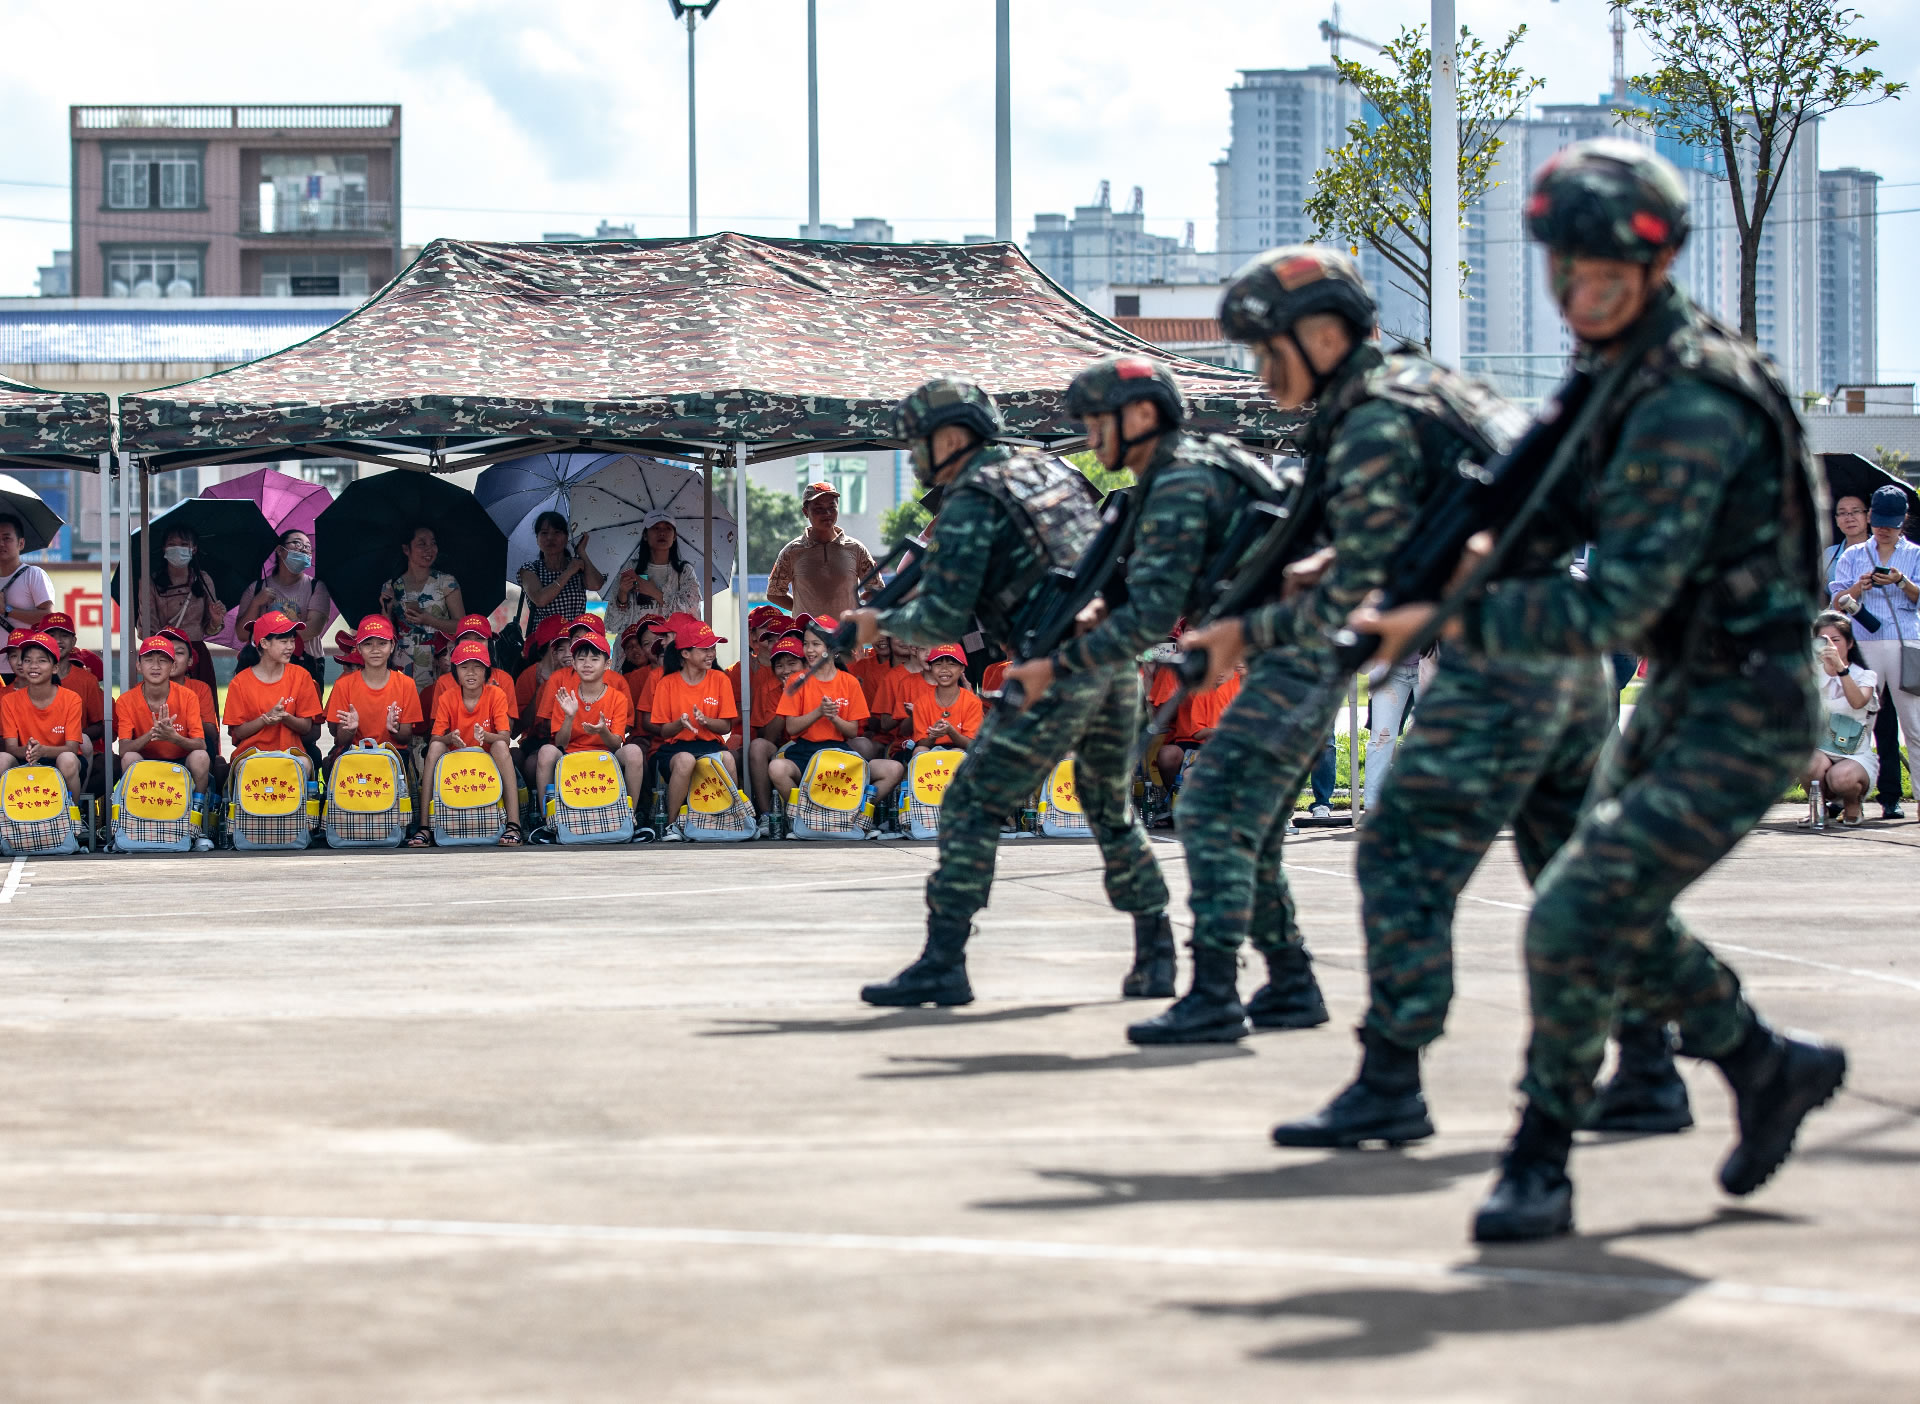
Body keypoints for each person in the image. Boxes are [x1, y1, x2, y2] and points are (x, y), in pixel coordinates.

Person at [1359, 139, 1847, 1240]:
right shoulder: (1612, 378)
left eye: (1605, 280)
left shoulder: (1688, 402)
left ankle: (1541, 1158)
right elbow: (1545, 512)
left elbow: (1612, 607)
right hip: (1684, 690)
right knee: (1613, 912)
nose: (1580, 299)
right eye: (1566, 277)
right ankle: (1763, 1065)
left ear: (1656, 267)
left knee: (1573, 915)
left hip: (1750, 705)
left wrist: (1440, 614)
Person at [1005, 354, 1312, 1041]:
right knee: (1238, 825)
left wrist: (1055, 667)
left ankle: (1215, 994)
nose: (1089, 434)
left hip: (1284, 656)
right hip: (1278, 651)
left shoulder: (1179, 478)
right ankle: (1291, 981)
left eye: (1097, 420)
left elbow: (1149, 617)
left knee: (1209, 809)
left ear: (1141, 416)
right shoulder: (1166, 477)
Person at [847, 378, 1173, 1005]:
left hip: (1053, 671)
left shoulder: (972, 499)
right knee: (1109, 807)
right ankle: (1155, 952)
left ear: (950, 437)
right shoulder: (1044, 472)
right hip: (1112, 662)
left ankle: (945, 960)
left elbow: (941, 617)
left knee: (970, 803)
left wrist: (873, 625)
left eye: (918, 443)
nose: (913, 457)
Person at [1828, 483, 1920, 822]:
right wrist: (1859, 587)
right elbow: (1837, 601)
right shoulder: (1854, 555)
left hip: (1905, 641)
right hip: (1865, 641)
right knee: (1858, 722)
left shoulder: (1915, 553)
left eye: (1891, 523)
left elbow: (1917, 598)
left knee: (1914, 723)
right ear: (1871, 517)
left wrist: (1901, 581)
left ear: (1903, 521)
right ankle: (1850, 797)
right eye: (1879, 521)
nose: (1884, 529)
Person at [768, 625, 904, 831]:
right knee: (777, 769)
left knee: (894, 769)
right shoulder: (797, 680)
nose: (809, 650)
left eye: (815, 644)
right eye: (806, 644)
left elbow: (851, 731)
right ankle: (804, 819)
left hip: (840, 754)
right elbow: (792, 727)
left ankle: (854, 814)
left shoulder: (849, 682)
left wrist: (833, 717)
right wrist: (818, 712)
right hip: (806, 752)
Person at [534, 623, 644, 818]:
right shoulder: (566, 697)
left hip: (605, 757)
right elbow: (560, 744)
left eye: (594, 659)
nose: (587, 664)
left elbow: (616, 743)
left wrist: (602, 731)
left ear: (607, 665)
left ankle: (629, 815)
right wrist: (569, 716)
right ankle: (547, 819)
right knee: (545, 752)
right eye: (581, 659)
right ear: (574, 664)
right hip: (570, 755)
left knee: (634, 752)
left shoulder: (617, 697)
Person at [116, 635, 214, 845]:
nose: (156, 666)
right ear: (138, 665)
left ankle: (195, 824)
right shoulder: (126, 700)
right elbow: (124, 749)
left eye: (163, 660)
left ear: (172, 666)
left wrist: (173, 737)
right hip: (146, 764)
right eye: (149, 660)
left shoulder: (188, 696)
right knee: (130, 758)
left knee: (200, 757)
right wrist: (152, 734)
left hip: (180, 763)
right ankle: (136, 820)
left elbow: (201, 744)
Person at [648, 620, 741, 840]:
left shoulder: (720, 679)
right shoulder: (667, 683)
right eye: (704, 649)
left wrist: (706, 721)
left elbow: (726, 726)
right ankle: (671, 824)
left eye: (713, 648)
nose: (711, 653)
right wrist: (680, 724)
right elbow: (664, 733)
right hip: (675, 748)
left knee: (727, 758)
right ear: (686, 654)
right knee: (686, 760)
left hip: (710, 745)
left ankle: (732, 816)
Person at [426, 638, 523, 845]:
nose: (471, 673)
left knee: (499, 745)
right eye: (464, 667)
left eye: (477, 667)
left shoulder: (496, 694)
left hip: (487, 761)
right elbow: (435, 737)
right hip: (457, 761)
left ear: (487, 671)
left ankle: (514, 825)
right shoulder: (447, 697)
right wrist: (449, 738)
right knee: (435, 746)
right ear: (455, 671)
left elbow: (506, 738)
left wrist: (486, 736)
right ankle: (424, 826)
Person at [225, 610, 323, 776]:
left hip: (291, 753)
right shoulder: (240, 682)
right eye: (284, 641)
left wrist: (285, 717)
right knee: (242, 766)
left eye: (292, 640)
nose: (291, 647)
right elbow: (239, 732)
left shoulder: (301, 676)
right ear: (264, 643)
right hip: (251, 754)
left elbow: (306, 727)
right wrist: (265, 719)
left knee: (305, 764)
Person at [1805, 611, 1880, 825]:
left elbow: (1858, 702)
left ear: (1850, 644)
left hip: (1854, 754)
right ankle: (1818, 808)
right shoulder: (1811, 674)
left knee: (1842, 777)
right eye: (1822, 641)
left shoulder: (1865, 676)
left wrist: (1840, 669)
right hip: (1822, 749)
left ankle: (1852, 805)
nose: (1830, 646)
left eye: (1836, 640)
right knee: (1806, 761)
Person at [766, 482, 877, 620]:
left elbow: (876, 589)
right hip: (807, 638)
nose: (827, 513)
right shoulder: (792, 552)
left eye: (832, 507)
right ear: (805, 512)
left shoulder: (856, 549)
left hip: (846, 637)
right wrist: (805, 613)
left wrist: (855, 609)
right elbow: (774, 593)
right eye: (819, 509)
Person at [234, 529, 333, 684]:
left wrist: (272, 640)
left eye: (308, 547)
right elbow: (242, 633)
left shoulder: (316, 587)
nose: (303, 548)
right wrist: (257, 603)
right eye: (297, 543)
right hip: (262, 665)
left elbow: (313, 629)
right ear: (280, 550)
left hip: (306, 662)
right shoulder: (257, 588)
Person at [325, 615, 424, 768]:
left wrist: (395, 729)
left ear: (392, 646)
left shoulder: (406, 684)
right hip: (355, 755)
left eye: (382, 643)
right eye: (368, 644)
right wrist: (350, 730)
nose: (375, 650)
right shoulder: (344, 684)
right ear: (358, 648)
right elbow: (340, 740)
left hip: (392, 755)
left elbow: (405, 738)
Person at [138, 524, 226, 690]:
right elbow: (147, 629)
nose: (177, 548)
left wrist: (215, 620)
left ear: (194, 549)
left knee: (201, 708)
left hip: (197, 654)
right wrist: (162, 653)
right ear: (164, 549)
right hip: (163, 654)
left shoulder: (203, 579)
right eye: (172, 544)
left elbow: (211, 629)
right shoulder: (149, 582)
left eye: (184, 544)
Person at [380, 524, 464, 691]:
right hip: (403, 660)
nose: (429, 549)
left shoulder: (446, 582)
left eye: (433, 543)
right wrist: (386, 608)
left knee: (438, 709)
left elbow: (462, 625)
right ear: (406, 549)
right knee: (407, 711)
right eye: (422, 544)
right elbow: (385, 631)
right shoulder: (391, 586)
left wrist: (430, 620)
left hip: (440, 660)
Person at [0, 631, 84, 793]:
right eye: (27, 660)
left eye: (42, 661)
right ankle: (6, 816)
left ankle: (73, 815)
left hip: (59, 758)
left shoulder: (71, 699)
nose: (33, 666)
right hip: (25, 760)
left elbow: (72, 748)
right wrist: (31, 751)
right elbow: (11, 748)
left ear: (55, 668)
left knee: (68, 760)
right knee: (2, 759)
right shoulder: (9, 700)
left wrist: (43, 750)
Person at [606, 513, 703, 642]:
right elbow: (613, 623)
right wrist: (622, 594)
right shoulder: (631, 568)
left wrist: (653, 592)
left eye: (668, 528)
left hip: (670, 649)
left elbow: (692, 615)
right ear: (645, 535)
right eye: (655, 528)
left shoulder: (684, 571)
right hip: (636, 649)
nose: (662, 532)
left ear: (674, 536)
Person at [516, 510, 606, 638]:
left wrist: (582, 552)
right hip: (544, 645)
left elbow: (596, 585)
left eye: (557, 532)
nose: (550, 538)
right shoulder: (530, 569)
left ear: (566, 537)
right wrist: (569, 571)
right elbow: (540, 599)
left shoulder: (577, 565)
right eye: (544, 533)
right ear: (537, 539)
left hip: (574, 641)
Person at [1155, 667, 1239, 799]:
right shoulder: (1201, 690)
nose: (1220, 671)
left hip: (1223, 744)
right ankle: (1175, 802)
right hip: (1190, 742)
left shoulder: (1241, 688)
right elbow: (1197, 732)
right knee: (1167, 755)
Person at [158, 627, 224, 794]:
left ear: (190, 661)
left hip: (190, 752)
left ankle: (198, 807)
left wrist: (184, 713)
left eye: (179, 653)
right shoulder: (140, 691)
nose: (171, 658)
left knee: (204, 750)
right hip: (154, 751)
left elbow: (211, 733)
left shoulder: (200, 689)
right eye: (166, 652)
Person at [0, 512, 55, 681]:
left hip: (24, 669)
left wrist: (7, 610)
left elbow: (48, 617)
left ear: (21, 543)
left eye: (7, 538)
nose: (1, 543)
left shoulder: (33, 575)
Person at [905, 644, 983, 755]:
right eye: (938, 664)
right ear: (930, 668)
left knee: (957, 752)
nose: (944, 669)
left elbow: (970, 744)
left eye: (951, 664)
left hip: (961, 750)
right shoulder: (921, 702)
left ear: (962, 668)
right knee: (919, 750)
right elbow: (922, 742)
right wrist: (933, 735)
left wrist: (951, 732)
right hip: (931, 750)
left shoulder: (972, 701)